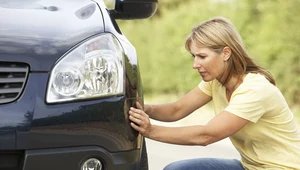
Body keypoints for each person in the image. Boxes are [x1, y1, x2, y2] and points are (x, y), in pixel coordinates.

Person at [129, 16, 300, 170]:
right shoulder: (215, 82)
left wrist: (150, 131)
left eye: (202, 57)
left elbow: (206, 135)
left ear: (226, 53)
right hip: (250, 167)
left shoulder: (255, 89)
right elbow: (177, 109)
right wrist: (143, 108)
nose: (195, 64)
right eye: (193, 57)